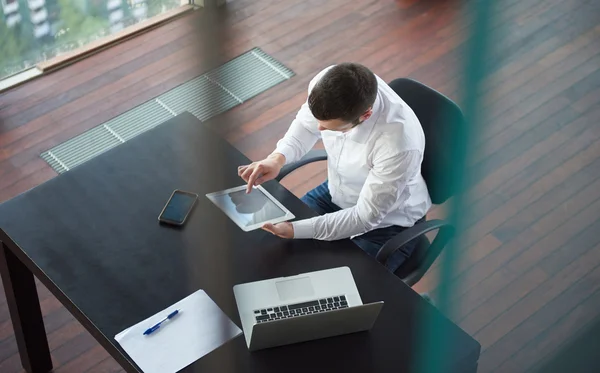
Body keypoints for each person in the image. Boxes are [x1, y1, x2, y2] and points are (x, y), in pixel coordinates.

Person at [238, 63, 431, 272]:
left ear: (365, 115)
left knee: (335, 287)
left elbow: (364, 217)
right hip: (336, 192)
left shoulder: (398, 145)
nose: (319, 128)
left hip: (387, 224)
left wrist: (295, 230)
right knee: (269, 246)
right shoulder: (327, 82)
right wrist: (277, 158)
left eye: (330, 127)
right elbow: (305, 125)